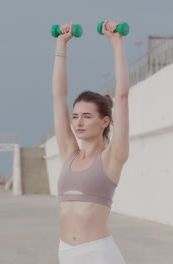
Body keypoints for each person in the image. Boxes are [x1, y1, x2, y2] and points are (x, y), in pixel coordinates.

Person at [53, 21, 129, 263]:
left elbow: (123, 96)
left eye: (87, 116)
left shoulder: (112, 157)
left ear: (105, 121)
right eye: (75, 116)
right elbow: (59, 96)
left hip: (99, 255)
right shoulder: (69, 154)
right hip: (66, 252)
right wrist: (61, 44)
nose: (78, 122)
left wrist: (116, 42)